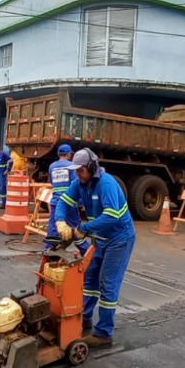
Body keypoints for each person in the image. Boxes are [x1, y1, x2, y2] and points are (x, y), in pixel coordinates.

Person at [55, 148, 136, 347]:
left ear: (92, 167)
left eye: (80, 170)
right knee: (90, 280)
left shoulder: (107, 184)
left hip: (119, 239)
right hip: (99, 238)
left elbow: (112, 216)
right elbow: (63, 202)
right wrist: (60, 221)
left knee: (107, 284)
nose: (77, 174)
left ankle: (103, 333)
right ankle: (84, 318)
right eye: (76, 170)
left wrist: (83, 228)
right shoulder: (80, 183)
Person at [45, 145, 76, 250]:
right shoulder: (71, 166)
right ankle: (85, 250)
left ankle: (49, 249)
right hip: (68, 201)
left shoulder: (52, 166)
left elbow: (51, 182)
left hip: (55, 201)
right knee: (76, 227)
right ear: (68, 154)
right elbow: (75, 184)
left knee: (53, 225)